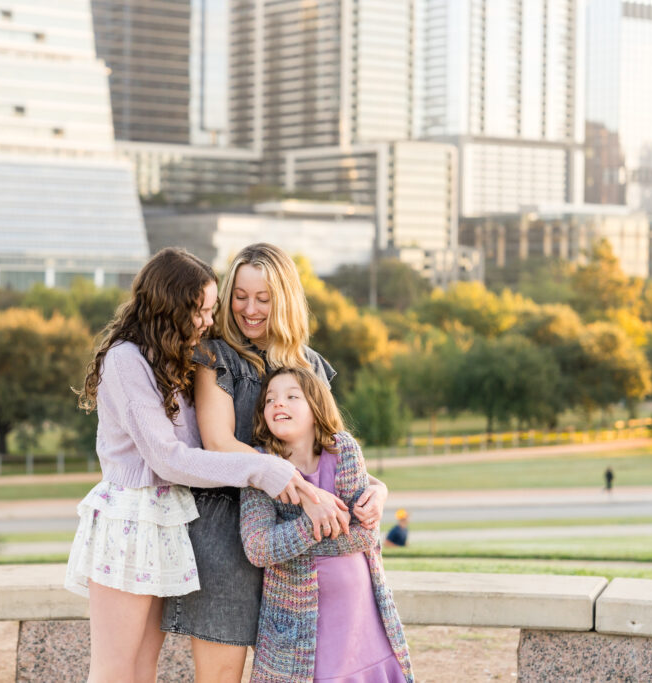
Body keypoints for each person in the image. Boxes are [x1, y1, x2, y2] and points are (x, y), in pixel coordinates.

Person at [64, 247, 322, 683]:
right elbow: (168, 459)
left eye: (210, 309)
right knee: (114, 670)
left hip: (166, 520)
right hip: (131, 521)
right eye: (200, 311)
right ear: (170, 307)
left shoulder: (168, 358)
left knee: (142, 667)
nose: (208, 321)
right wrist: (264, 469)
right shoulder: (126, 361)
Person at [162, 243, 389, 682]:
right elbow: (219, 444)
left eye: (263, 298)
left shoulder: (311, 367)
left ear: (283, 298)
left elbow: (333, 450)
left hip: (300, 550)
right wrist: (306, 491)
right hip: (225, 539)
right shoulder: (215, 356)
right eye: (240, 296)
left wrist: (377, 489)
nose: (249, 309)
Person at [240, 367, 414, 682]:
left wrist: (296, 539)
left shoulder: (343, 451)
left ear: (315, 407)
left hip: (360, 617)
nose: (279, 404)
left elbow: (364, 533)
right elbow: (259, 548)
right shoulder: (261, 467)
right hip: (297, 628)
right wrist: (312, 522)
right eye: (270, 399)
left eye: (292, 396)